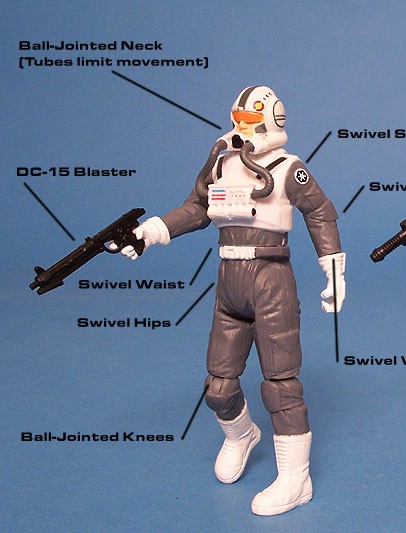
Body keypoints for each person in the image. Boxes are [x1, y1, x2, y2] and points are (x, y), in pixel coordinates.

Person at [122, 85, 345, 516]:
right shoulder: (222, 163)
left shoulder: (288, 168)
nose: (244, 129)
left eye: (252, 122)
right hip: (229, 278)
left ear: (272, 122)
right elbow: (196, 208)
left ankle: (296, 478)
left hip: (270, 277)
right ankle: (241, 435)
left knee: (280, 384)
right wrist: (150, 232)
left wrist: (334, 268)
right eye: (239, 121)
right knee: (219, 387)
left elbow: (320, 212)